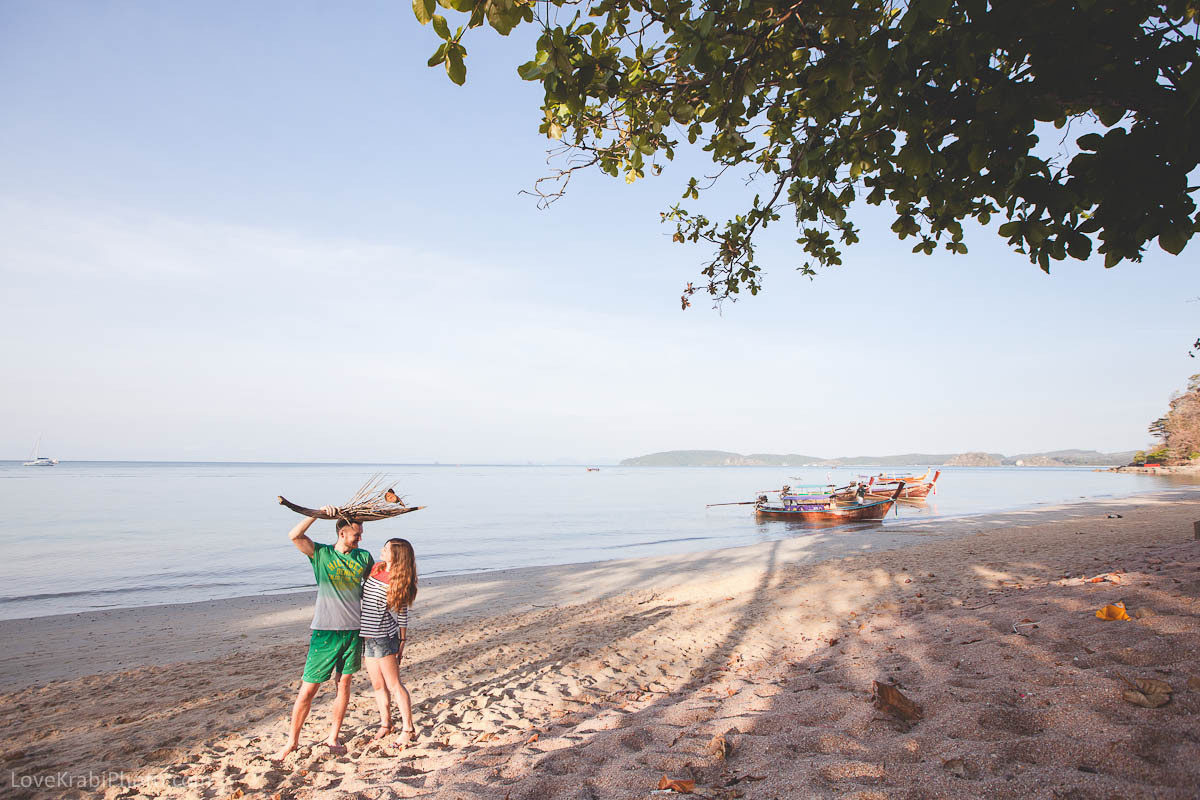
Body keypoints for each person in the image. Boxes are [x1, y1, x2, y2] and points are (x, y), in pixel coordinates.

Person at [272, 506, 373, 761]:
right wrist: (317, 514)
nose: (359, 538)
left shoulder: (363, 557)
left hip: (353, 631)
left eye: (360, 534)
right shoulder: (322, 554)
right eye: (355, 535)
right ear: (342, 533)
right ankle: (292, 741)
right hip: (325, 632)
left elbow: (374, 586)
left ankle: (333, 736)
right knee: (309, 689)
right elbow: (294, 536)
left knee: (344, 685)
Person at [360, 538, 418, 746]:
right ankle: (386, 724)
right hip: (367, 635)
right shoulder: (377, 568)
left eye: (386, 549)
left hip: (383, 637)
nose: (381, 551)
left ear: (397, 555)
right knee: (377, 684)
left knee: (394, 685)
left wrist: (402, 641)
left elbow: (402, 613)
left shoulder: (398, 579)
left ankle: (408, 729)